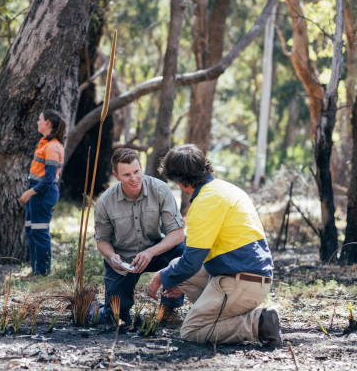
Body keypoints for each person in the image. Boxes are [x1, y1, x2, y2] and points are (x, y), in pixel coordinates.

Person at [147, 144, 281, 346]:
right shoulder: (226, 189)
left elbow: (191, 262)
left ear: (181, 183)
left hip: (240, 281)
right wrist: (175, 277)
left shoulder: (205, 201)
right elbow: (190, 264)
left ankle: (257, 323)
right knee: (177, 265)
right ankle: (217, 313)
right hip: (253, 278)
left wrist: (161, 276)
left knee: (191, 331)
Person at [92, 148, 185, 325]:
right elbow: (102, 241)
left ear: (141, 167)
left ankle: (169, 309)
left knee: (182, 251)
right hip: (122, 260)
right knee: (115, 318)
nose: (134, 178)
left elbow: (178, 234)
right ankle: (94, 309)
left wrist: (150, 252)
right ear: (116, 176)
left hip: (156, 252)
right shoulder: (105, 201)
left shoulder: (160, 190)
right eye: (126, 175)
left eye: (136, 171)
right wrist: (112, 256)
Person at [19, 110, 66, 276]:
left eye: (39, 119)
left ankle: (43, 272)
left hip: (43, 193)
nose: (37, 122)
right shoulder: (44, 142)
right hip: (37, 192)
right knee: (31, 230)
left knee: (40, 231)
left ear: (47, 123)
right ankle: (35, 269)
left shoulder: (53, 147)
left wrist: (30, 193)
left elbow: (48, 180)